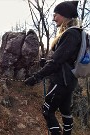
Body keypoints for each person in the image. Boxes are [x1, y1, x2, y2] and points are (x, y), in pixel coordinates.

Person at [24, 1, 81, 135]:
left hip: (61, 81)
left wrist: (36, 77)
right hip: (70, 80)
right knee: (65, 110)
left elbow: (57, 62)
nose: (53, 18)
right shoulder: (75, 33)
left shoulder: (71, 34)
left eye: (56, 15)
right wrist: (48, 63)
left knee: (47, 110)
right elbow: (64, 59)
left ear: (65, 15)